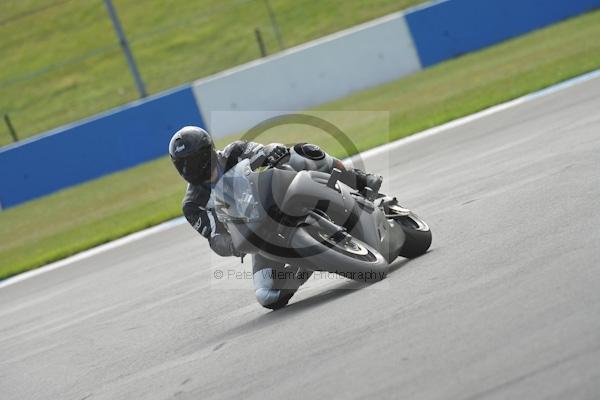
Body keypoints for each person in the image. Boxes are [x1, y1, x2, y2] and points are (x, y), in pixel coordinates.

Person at [169, 126, 382, 310]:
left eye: (193, 161)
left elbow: (262, 150)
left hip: (282, 196)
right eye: (182, 165)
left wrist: (272, 151)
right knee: (268, 296)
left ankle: (358, 180)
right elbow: (215, 237)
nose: (189, 169)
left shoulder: (234, 151)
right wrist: (232, 245)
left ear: (207, 153)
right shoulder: (193, 205)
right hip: (259, 235)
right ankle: (307, 262)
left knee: (301, 153)